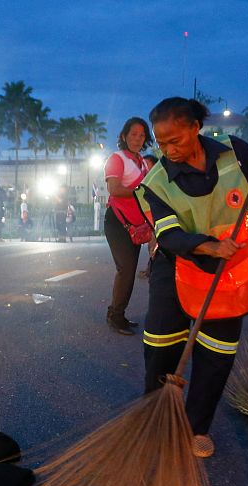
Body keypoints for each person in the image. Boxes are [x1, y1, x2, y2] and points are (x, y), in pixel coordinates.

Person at [136, 88, 248, 458]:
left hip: (230, 271)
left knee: (217, 351)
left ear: (196, 128)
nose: (168, 149)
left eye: (174, 140)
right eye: (160, 142)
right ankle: (157, 421)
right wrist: (208, 246)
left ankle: (196, 428)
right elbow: (169, 234)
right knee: (162, 344)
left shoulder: (231, 152)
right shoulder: (157, 182)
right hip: (178, 266)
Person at [103, 117, 156, 335]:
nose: (137, 138)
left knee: (130, 269)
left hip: (135, 224)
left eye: (142, 135)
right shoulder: (117, 159)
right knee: (125, 269)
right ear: (124, 135)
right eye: (133, 134)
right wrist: (141, 191)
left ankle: (117, 313)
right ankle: (115, 316)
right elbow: (114, 189)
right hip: (117, 221)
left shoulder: (142, 162)